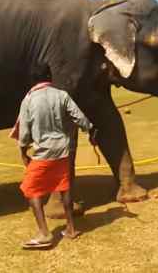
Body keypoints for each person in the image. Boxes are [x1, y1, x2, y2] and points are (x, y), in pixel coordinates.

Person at [11, 66, 97, 249]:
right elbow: (79, 117)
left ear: (33, 79)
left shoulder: (28, 99)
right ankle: (71, 229)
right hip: (63, 150)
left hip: (43, 152)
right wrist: (90, 129)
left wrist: (23, 150)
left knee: (30, 190)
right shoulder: (62, 95)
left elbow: (25, 131)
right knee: (64, 188)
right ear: (50, 77)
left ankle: (44, 234)